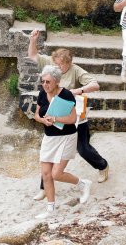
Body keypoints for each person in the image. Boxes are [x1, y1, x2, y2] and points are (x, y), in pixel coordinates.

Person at [28, 30, 109, 202]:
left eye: (61, 66)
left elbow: (95, 84)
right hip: (55, 120)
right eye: (55, 64)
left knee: (83, 149)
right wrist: (33, 40)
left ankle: (102, 166)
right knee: (48, 156)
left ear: (69, 63)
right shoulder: (50, 66)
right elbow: (33, 55)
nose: (57, 68)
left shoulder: (76, 70)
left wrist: (78, 90)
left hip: (75, 119)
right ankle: (44, 188)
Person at [34, 65, 92, 219]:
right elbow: (36, 115)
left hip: (67, 137)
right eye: (43, 82)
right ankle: (50, 210)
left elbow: (73, 119)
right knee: (46, 174)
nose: (45, 85)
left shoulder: (66, 95)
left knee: (56, 174)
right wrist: (43, 121)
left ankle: (83, 184)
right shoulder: (42, 94)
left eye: (48, 82)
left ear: (57, 81)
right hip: (49, 138)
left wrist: (55, 119)